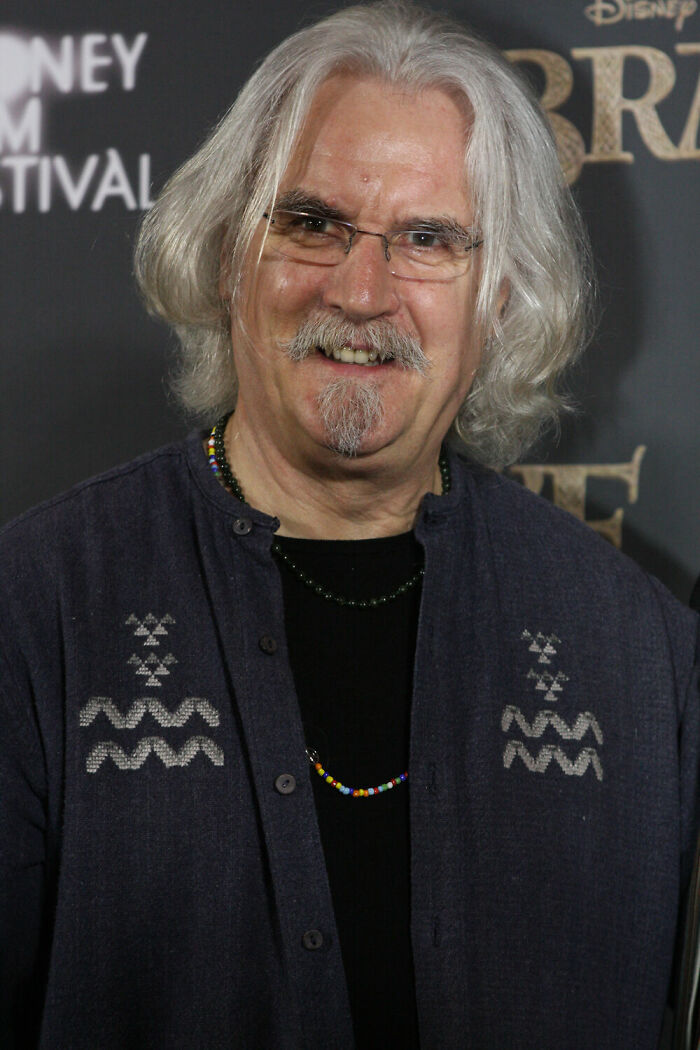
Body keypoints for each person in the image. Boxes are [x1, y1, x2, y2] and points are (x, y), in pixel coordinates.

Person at [1, 3, 698, 1048]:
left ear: (499, 297)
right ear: (229, 249)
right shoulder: (37, 611)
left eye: (427, 240)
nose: (360, 290)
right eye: (312, 223)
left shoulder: (639, 654)